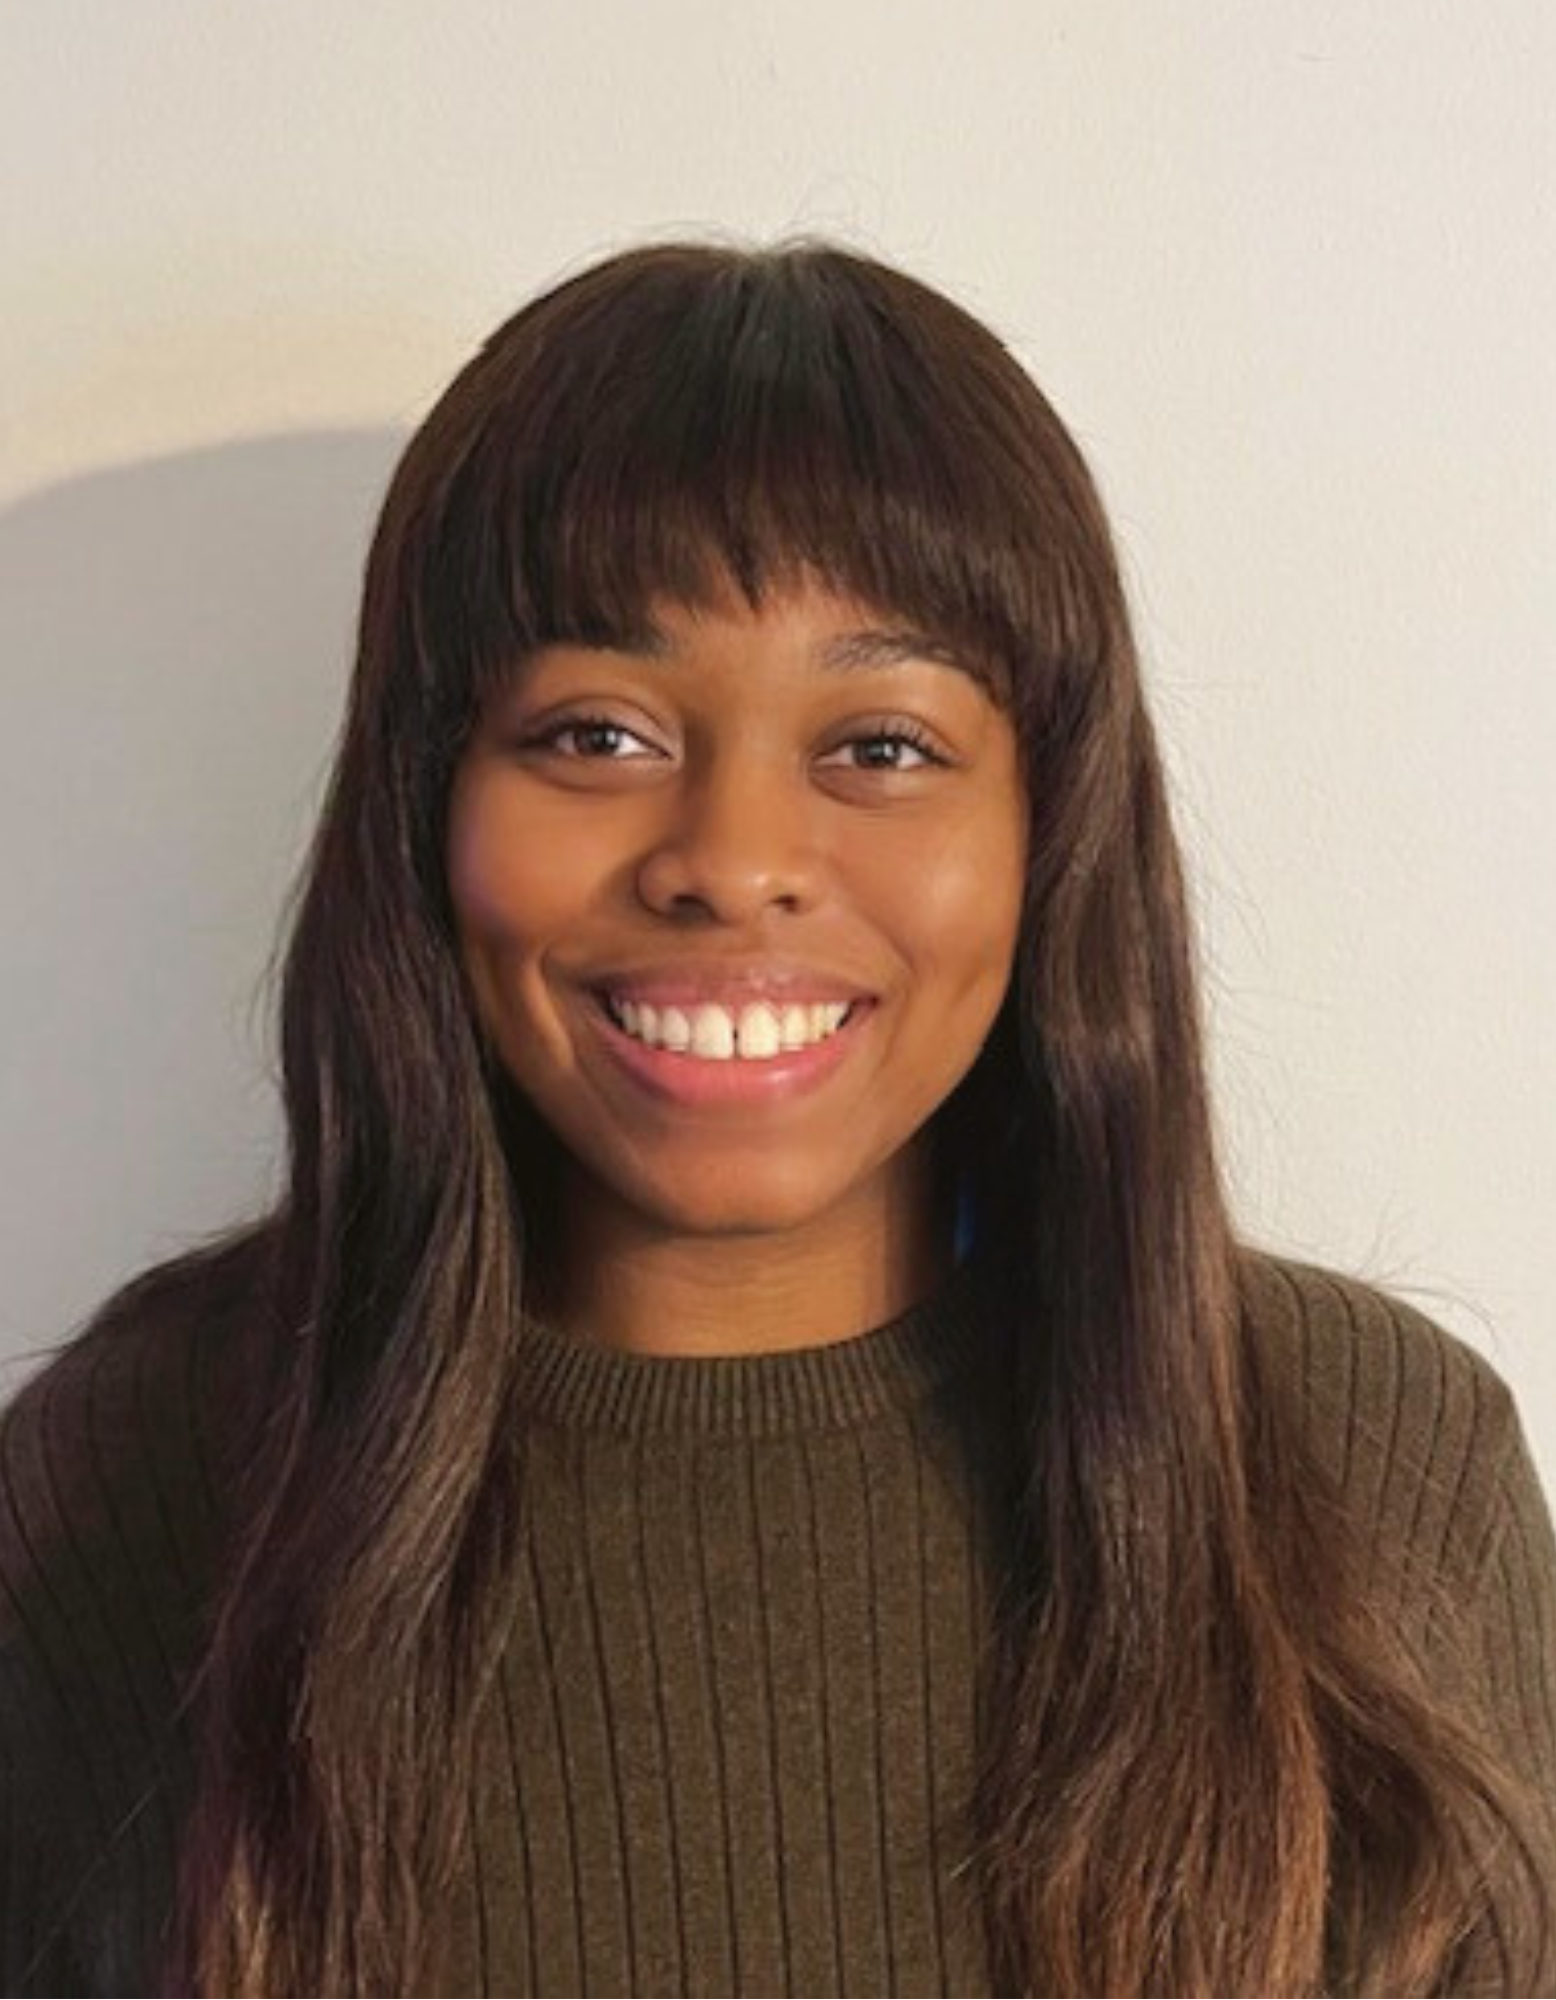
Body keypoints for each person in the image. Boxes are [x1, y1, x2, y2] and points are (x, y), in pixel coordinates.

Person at [1, 238, 1552, 2000]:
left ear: (1051, 832)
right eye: (594, 731)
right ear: (427, 804)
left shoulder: (1371, 1473)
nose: (733, 861)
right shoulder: (141, 1492)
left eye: (880, 746)